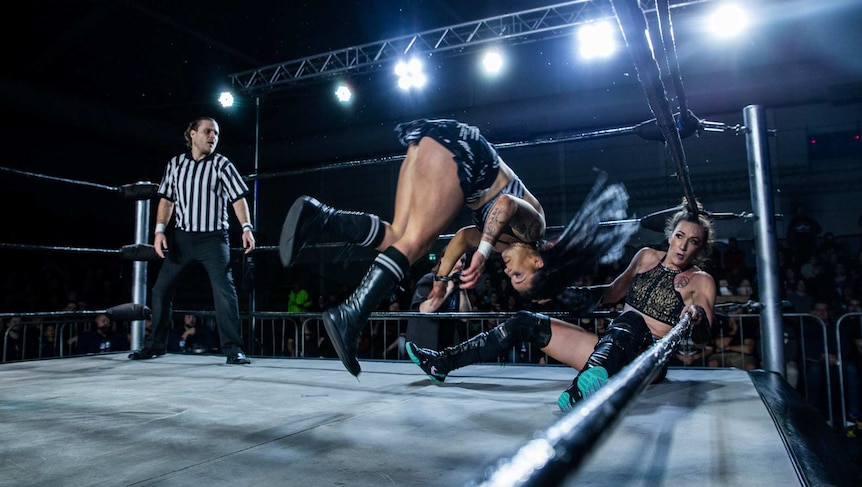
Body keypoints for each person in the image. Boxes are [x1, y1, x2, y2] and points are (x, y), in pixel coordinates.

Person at [279, 118, 633, 376]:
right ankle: (349, 315)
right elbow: (505, 206)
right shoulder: (534, 225)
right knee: (415, 242)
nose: (508, 271)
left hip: (435, 144)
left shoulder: (505, 246)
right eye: (518, 273)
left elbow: (463, 236)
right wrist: (482, 255)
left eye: (511, 277)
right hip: (464, 156)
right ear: (539, 261)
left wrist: (442, 278)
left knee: (400, 235)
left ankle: (322, 217)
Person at [406, 203, 716, 412]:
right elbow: (609, 294)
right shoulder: (646, 257)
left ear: (701, 247)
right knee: (525, 322)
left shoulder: (701, 281)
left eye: (693, 242)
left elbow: (702, 333)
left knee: (633, 322)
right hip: (611, 352)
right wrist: (560, 292)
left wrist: (694, 314)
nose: (683, 246)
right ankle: (441, 363)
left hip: (648, 361)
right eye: (680, 236)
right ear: (670, 235)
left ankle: (584, 390)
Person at [129, 117, 254, 365]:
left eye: (216, 134)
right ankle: (156, 345)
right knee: (160, 289)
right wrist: (159, 231)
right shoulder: (175, 164)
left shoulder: (222, 164)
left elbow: (238, 198)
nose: (213, 137)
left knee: (224, 291)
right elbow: (166, 200)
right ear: (193, 134)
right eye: (208, 131)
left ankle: (233, 349)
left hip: (214, 239)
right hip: (182, 238)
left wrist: (247, 228)